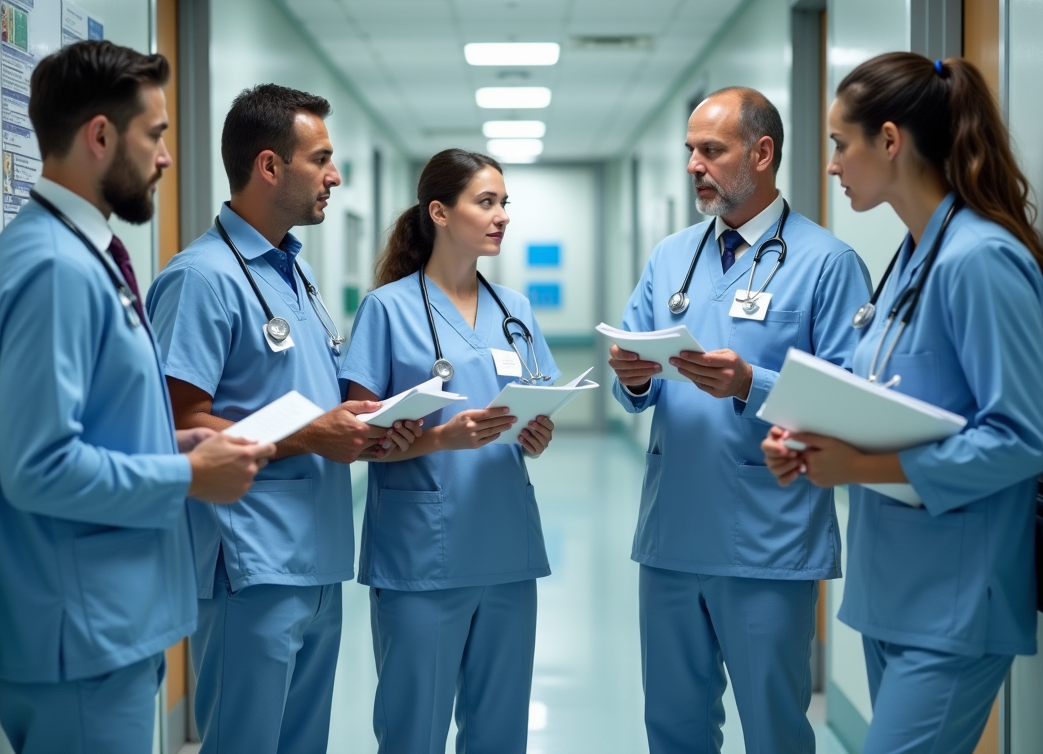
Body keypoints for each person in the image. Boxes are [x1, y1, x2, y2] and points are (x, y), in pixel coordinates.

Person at [0, 40, 273, 754]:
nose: (166, 157)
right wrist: (187, 474)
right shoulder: (53, 270)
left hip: (100, 628)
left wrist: (175, 444)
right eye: (154, 135)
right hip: (80, 637)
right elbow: (40, 467)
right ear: (100, 136)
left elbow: (88, 424)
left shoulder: (77, 256)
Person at [762, 53, 1043, 753]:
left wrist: (856, 467)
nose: (831, 164)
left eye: (841, 143)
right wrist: (810, 439)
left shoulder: (980, 260)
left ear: (890, 140)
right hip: (892, 591)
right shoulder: (910, 259)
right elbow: (892, 400)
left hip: (956, 596)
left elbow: (1022, 436)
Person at [146, 85, 418, 754]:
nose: (335, 176)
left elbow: (304, 397)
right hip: (250, 564)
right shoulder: (201, 278)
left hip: (318, 559)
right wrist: (315, 434)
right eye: (321, 159)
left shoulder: (297, 273)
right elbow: (178, 424)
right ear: (270, 166)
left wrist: (364, 422)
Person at [608, 87, 871, 754]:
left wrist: (751, 384)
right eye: (689, 150)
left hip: (768, 542)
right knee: (673, 730)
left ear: (761, 153)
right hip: (671, 536)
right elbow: (632, 382)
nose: (693, 165)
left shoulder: (826, 263)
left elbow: (853, 406)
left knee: (773, 732)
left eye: (711, 150)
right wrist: (631, 377)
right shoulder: (672, 257)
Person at [338, 149, 559, 754]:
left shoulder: (515, 311)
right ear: (439, 212)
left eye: (504, 203)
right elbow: (356, 438)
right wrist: (440, 438)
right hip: (421, 558)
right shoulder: (386, 309)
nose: (502, 215)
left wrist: (537, 435)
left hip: (507, 552)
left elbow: (537, 403)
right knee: (414, 734)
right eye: (486, 202)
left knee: (500, 736)